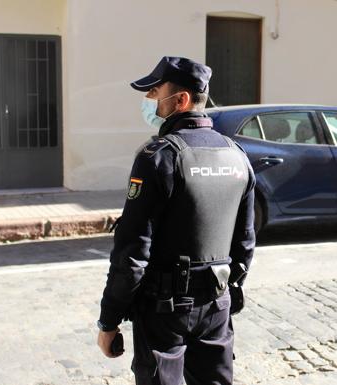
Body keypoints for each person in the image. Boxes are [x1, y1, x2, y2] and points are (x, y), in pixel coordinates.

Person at [96, 56, 256, 385]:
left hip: (164, 313)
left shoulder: (158, 157)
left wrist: (109, 321)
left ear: (180, 100)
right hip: (216, 305)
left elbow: (132, 253)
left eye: (156, 93)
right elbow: (245, 244)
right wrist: (225, 292)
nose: (150, 101)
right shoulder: (237, 156)